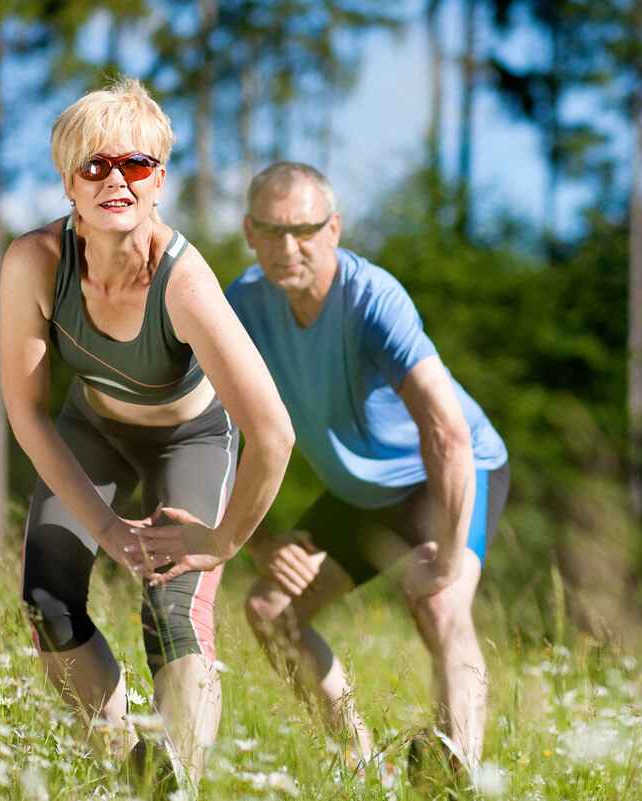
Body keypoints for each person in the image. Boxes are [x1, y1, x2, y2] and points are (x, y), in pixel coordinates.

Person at [0, 77, 294, 794]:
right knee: (47, 601)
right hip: (94, 427)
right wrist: (104, 525)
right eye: (94, 165)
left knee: (172, 611)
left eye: (135, 163)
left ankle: (177, 781)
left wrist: (221, 542)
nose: (116, 180)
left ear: (159, 180)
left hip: (190, 438)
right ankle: (130, 769)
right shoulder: (34, 263)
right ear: (68, 183)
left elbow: (273, 434)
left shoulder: (184, 283)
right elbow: (28, 412)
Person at [217, 161, 509, 782]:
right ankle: (365, 771)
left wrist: (448, 560)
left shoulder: (373, 300)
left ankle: (456, 774)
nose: (288, 247)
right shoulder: (241, 306)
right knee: (271, 610)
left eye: (304, 229)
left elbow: (447, 432)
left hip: (445, 474)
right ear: (248, 232)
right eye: (271, 230)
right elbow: (211, 430)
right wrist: (257, 540)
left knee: (439, 604)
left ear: (334, 229)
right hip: (358, 490)